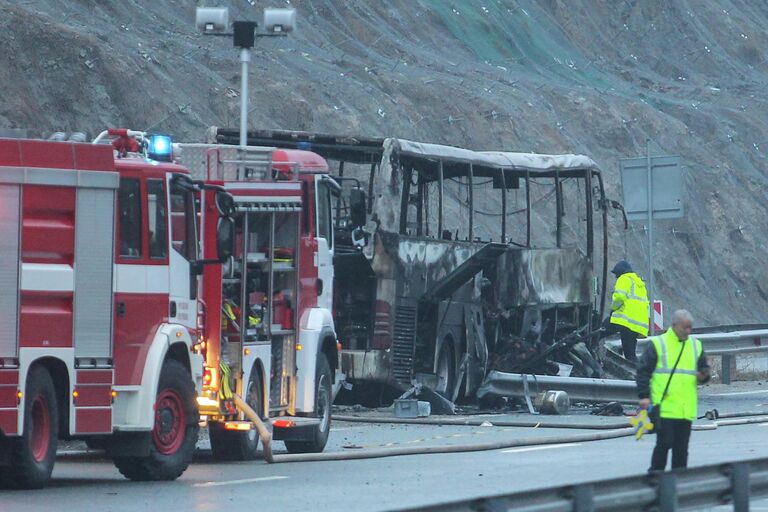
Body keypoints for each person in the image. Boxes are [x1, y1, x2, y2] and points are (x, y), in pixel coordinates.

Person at [636, 309, 710, 471]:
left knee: (681, 450)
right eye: (685, 327)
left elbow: (704, 369)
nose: (688, 331)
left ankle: (678, 483)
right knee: (664, 443)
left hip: (685, 409)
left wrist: (703, 376)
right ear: (674, 325)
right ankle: (656, 477)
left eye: (690, 327)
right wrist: (644, 396)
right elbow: (643, 371)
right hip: (663, 407)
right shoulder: (658, 344)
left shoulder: (695, 345)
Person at [607, 260, 649, 361]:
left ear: (620, 272)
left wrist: (613, 309)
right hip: (637, 324)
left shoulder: (624, 279)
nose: (616, 277)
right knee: (630, 354)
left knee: (601, 330)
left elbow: (619, 298)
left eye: (616, 274)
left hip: (625, 320)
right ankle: (637, 372)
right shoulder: (639, 284)